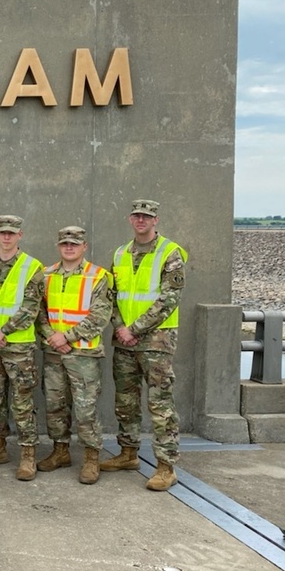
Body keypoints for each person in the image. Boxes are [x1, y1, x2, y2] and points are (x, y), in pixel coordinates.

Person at [101, 200, 188, 491]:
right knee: (125, 402)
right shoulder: (120, 253)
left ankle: (166, 466)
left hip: (157, 340)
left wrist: (134, 329)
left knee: (160, 404)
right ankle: (128, 454)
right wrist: (120, 328)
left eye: (146, 216)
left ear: (155, 220)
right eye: (137, 215)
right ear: (130, 219)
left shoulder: (170, 253)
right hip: (124, 340)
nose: (141, 220)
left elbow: (168, 300)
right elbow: (111, 297)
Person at [36, 226, 114, 484]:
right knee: (54, 405)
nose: (69, 247)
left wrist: (66, 337)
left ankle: (91, 458)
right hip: (53, 352)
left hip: (84, 353)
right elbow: (39, 312)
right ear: (59, 246)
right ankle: (60, 451)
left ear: (84, 247)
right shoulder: (45, 274)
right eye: (64, 244)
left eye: (74, 244)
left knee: (85, 408)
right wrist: (52, 337)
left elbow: (99, 316)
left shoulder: (99, 276)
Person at [0, 214, 45, 481]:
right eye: (2, 232)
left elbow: (31, 308)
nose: (6, 237)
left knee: (22, 402)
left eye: (11, 233)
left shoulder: (32, 267)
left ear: (19, 236)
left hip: (19, 348)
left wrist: (2, 331)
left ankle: (28, 455)